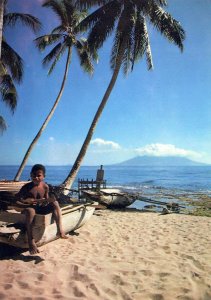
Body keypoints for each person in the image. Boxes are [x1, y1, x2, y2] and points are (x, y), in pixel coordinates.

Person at [15, 164, 68, 255]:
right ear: (30, 175)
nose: (35, 177)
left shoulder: (45, 186)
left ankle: (59, 230)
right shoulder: (26, 187)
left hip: (40, 208)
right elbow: (17, 201)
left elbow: (47, 200)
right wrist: (26, 201)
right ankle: (31, 241)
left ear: (43, 176)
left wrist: (46, 201)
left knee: (55, 203)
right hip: (28, 209)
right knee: (30, 211)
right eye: (33, 175)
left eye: (38, 175)